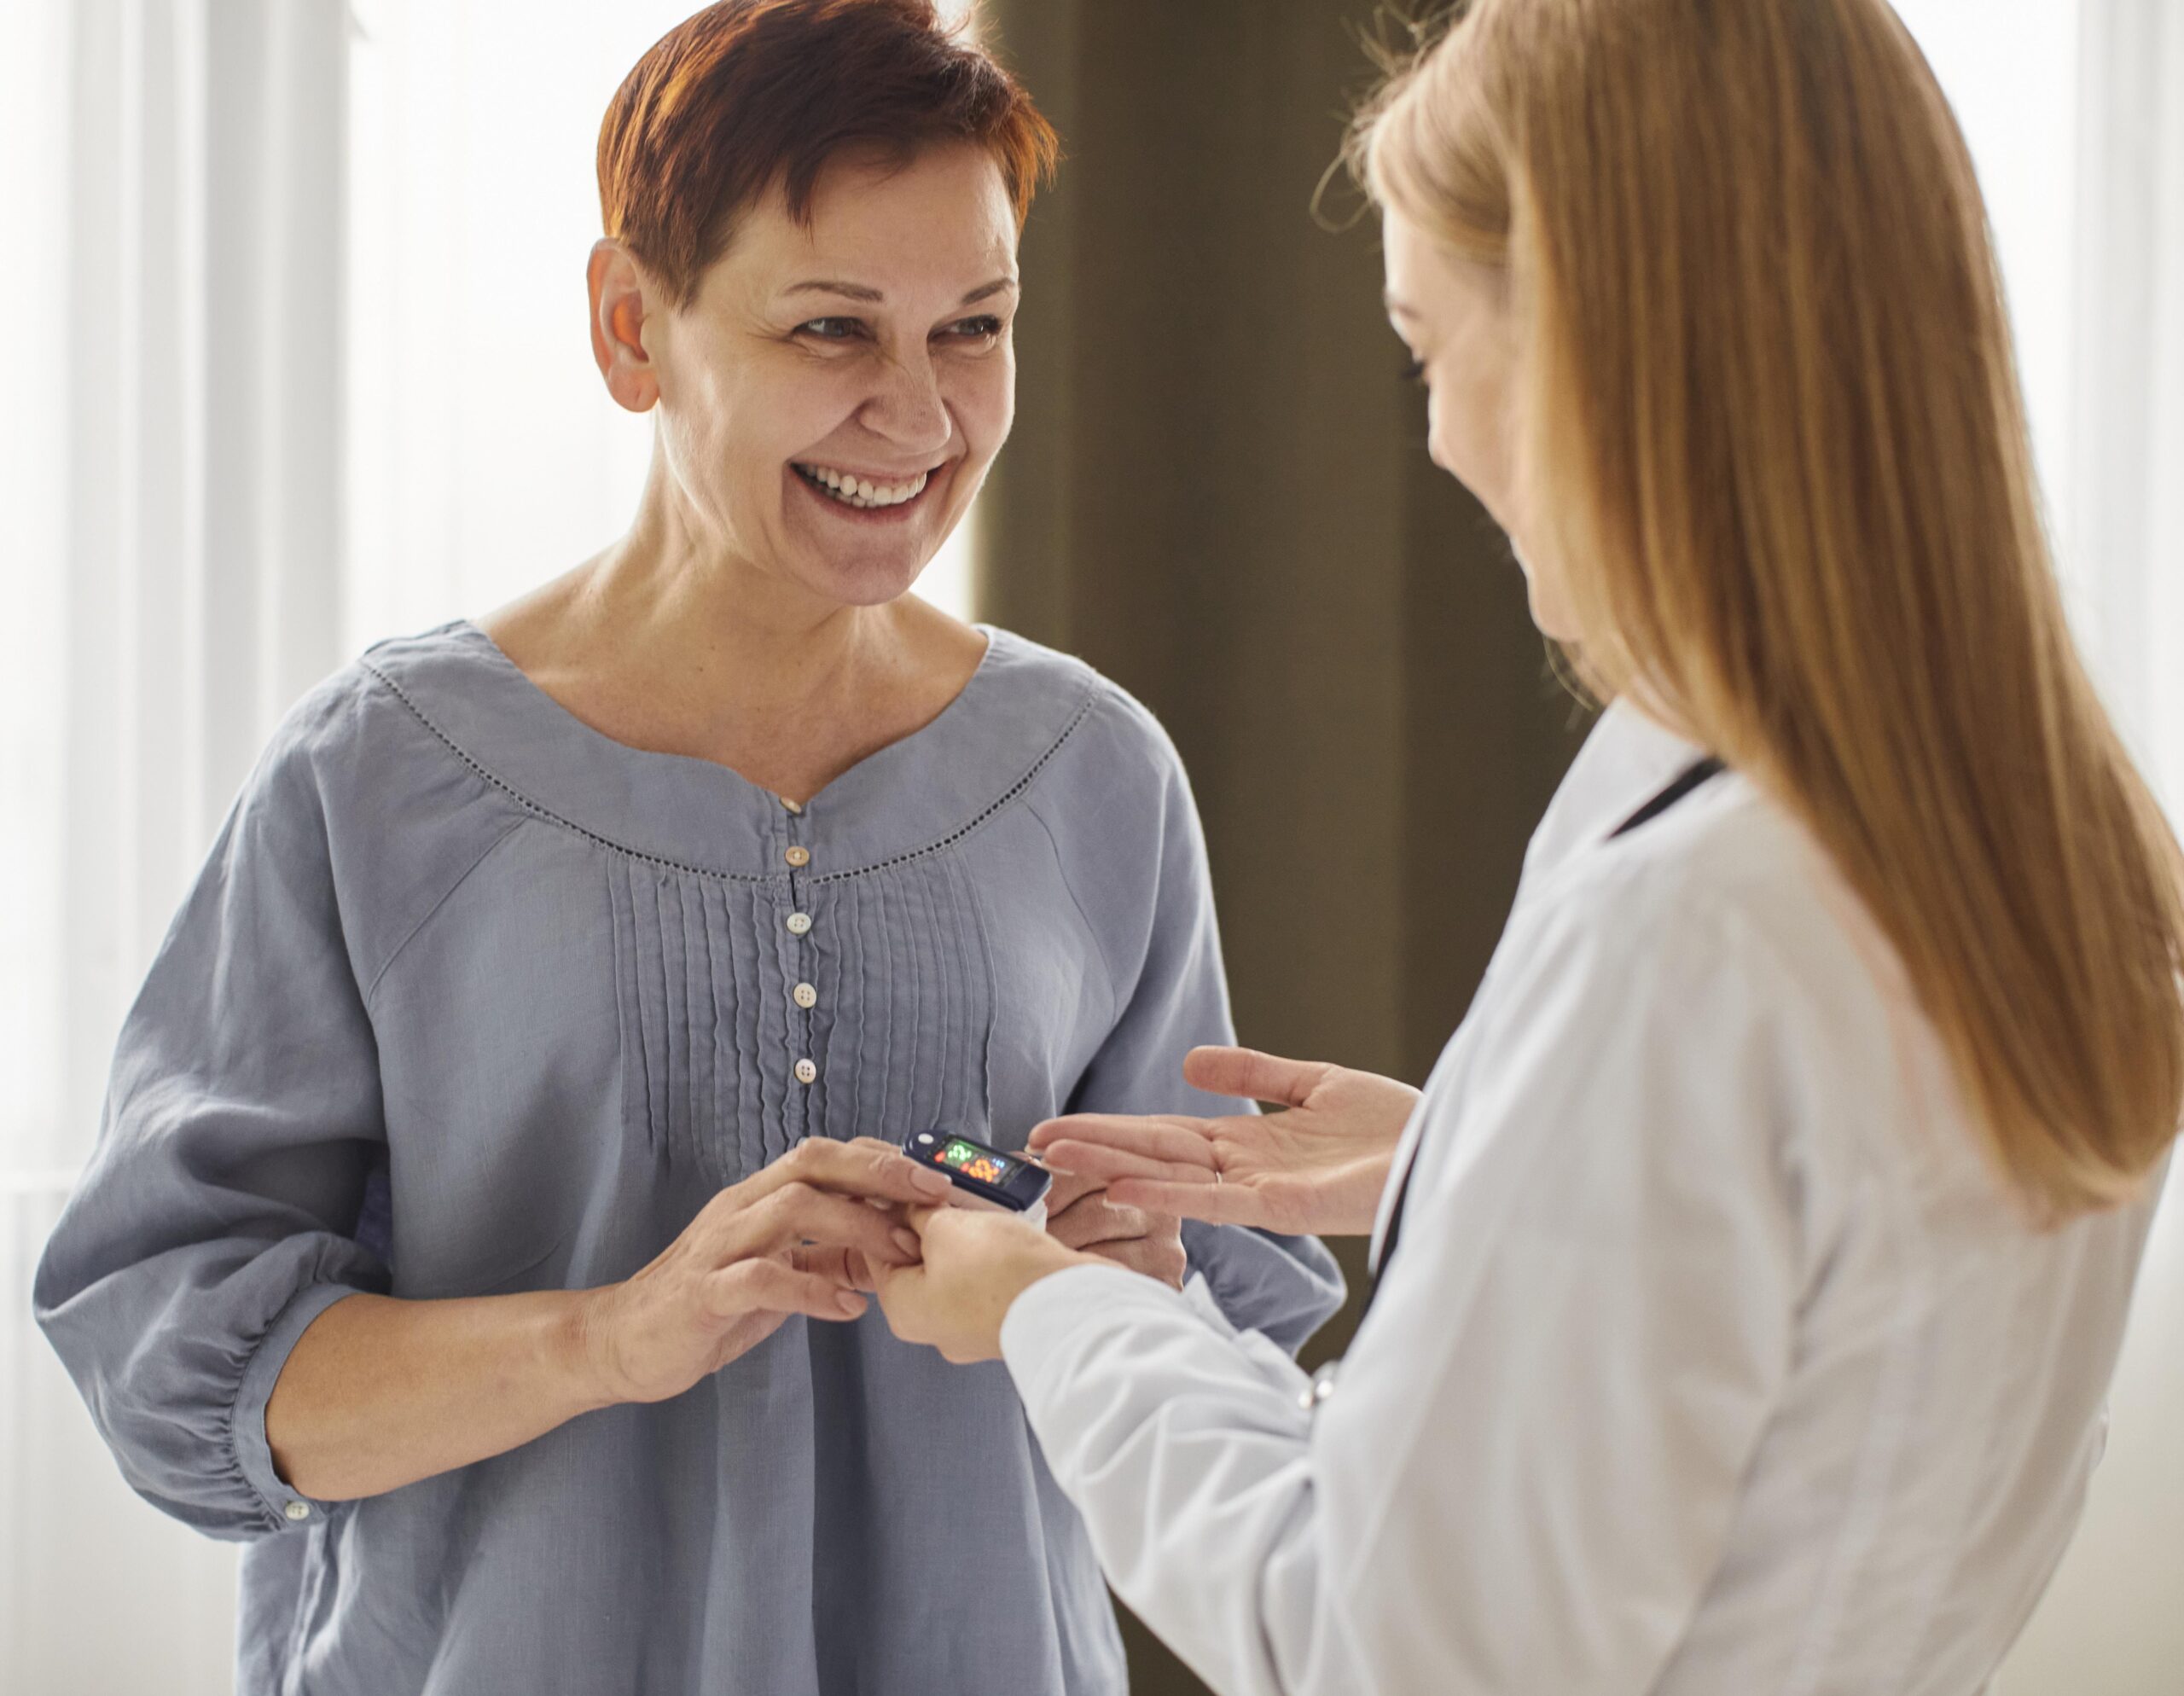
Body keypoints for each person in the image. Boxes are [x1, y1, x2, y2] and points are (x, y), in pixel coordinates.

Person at [870, 2, 2184, 1691]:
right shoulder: (2051, 857)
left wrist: (1047, 1310)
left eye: (1428, 349)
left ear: (1600, 352)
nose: (1431, 437)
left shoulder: (1690, 940)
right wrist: (1465, 1159)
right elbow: (1828, 1320)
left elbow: (1379, 1642)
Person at [32, 4, 1340, 1693]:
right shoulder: (376, 780)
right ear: (628, 324)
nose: (918, 413)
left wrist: (1124, 1290)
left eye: (973, 328)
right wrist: (617, 1332)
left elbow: (1223, 1353)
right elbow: (189, 1376)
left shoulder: (1093, 776)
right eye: (831, 330)